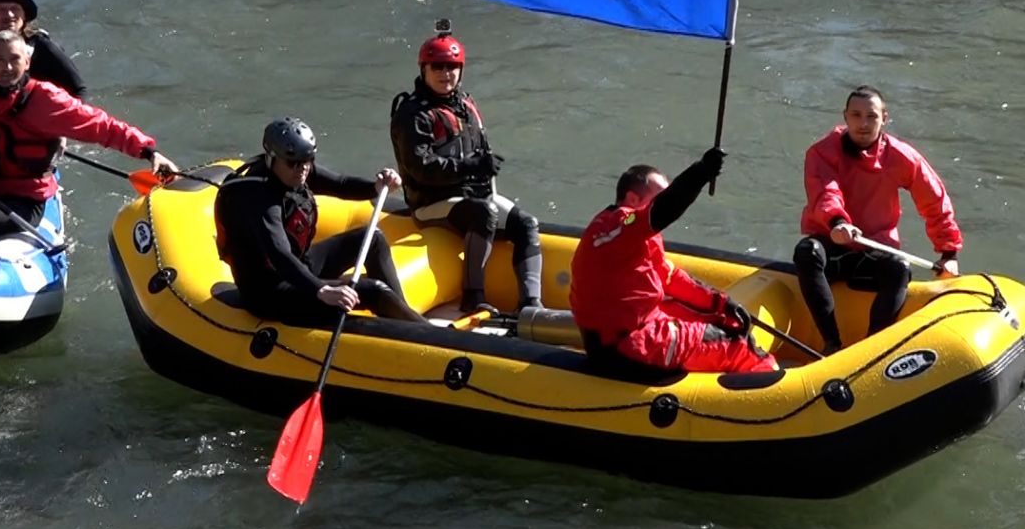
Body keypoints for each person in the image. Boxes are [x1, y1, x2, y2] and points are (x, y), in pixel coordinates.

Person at [0, 30, 178, 249]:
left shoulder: (48, 100)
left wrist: (149, 151)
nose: (7, 67)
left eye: (14, 59)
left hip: (25, 200)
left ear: (27, 61)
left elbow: (102, 126)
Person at [569, 148, 777, 375]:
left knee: (722, 320)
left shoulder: (636, 237)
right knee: (740, 346)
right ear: (632, 199)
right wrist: (701, 172)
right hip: (627, 344)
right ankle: (770, 388)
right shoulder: (620, 224)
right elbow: (664, 209)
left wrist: (722, 304)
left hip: (634, 329)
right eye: (657, 197)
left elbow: (669, 278)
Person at [794, 85, 963, 354]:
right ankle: (831, 343)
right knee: (806, 252)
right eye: (856, 115)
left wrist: (949, 252)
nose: (863, 124)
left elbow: (934, 199)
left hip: (873, 250)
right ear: (845, 117)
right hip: (833, 242)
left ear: (885, 118)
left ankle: (872, 350)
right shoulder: (822, 152)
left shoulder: (901, 156)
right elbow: (825, 191)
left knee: (899, 268)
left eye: (871, 116)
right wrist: (837, 222)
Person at [215, 117, 428, 327]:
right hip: (269, 291)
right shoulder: (258, 198)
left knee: (372, 239)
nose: (302, 168)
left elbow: (341, 184)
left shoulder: (295, 172)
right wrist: (321, 290)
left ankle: (406, 322)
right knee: (373, 290)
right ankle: (427, 335)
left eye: (307, 160)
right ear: (272, 159)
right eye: (293, 163)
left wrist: (377, 185)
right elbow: (279, 255)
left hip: (299, 268)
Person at [389, 26, 541, 315]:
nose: (445, 73)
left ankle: (531, 305)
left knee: (527, 224)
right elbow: (421, 168)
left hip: (472, 195)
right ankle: (474, 295)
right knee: (482, 213)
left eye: (452, 67)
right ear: (424, 69)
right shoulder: (412, 114)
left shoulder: (464, 104)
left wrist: (485, 163)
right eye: (438, 67)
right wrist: (470, 167)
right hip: (431, 204)